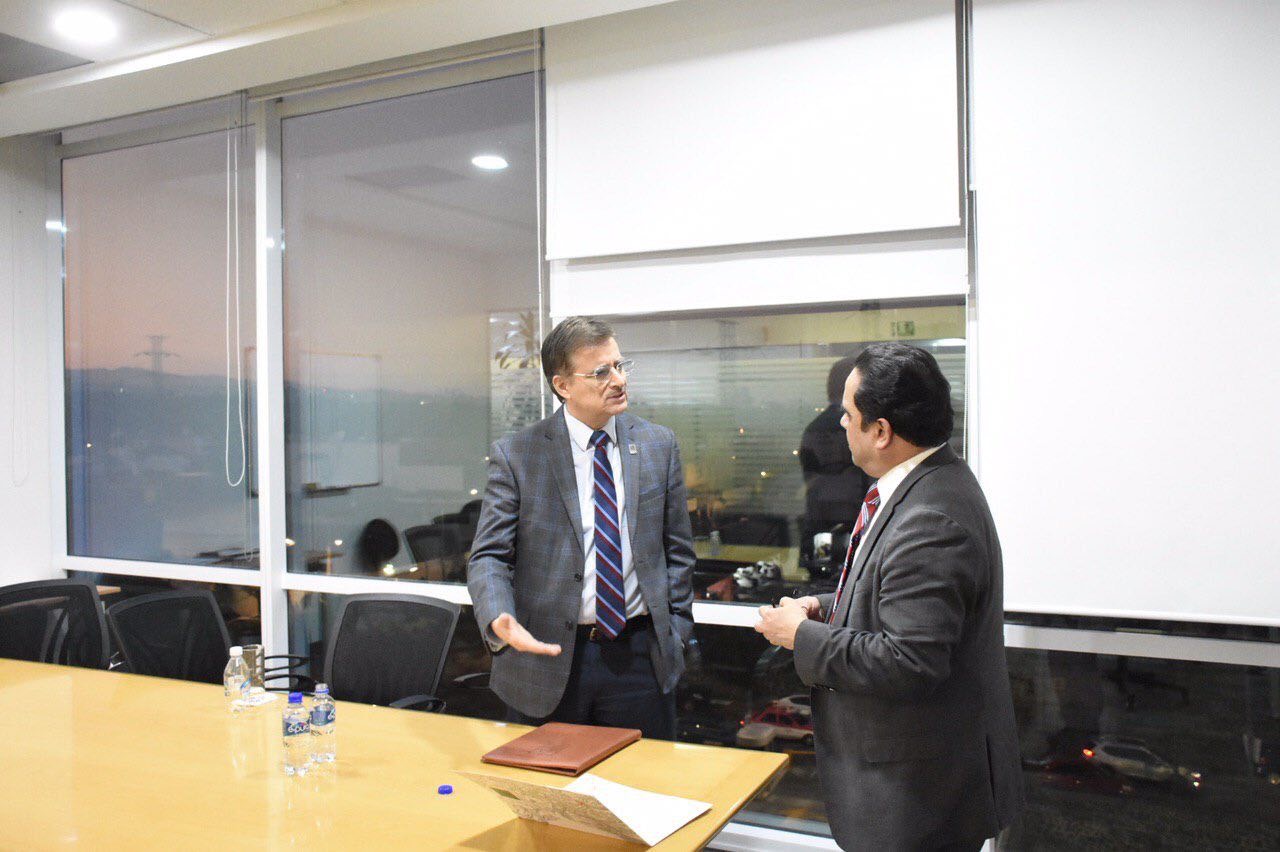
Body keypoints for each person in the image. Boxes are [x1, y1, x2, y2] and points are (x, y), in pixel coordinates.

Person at [755, 342, 1023, 851]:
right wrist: (825, 608)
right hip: (916, 784)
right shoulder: (925, 482)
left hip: (918, 796)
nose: (839, 424)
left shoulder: (929, 517)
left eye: (847, 414)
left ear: (881, 431)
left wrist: (801, 636)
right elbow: (896, 597)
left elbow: (910, 660)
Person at [467, 316, 695, 738]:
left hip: (639, 658)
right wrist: (498, 615)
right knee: (548, 780)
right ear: (563, 385)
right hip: (547, 657)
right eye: (601, 372)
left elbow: (678, 550)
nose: (618, 380)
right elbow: (489, 556)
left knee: (641, 777)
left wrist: (676, 630)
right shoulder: (519, 455)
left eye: (620, 366)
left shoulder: (657, 445)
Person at [798, 355, 872, 574]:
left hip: (820, 527)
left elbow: (810, 477)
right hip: (850, 528)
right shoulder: (855, 427)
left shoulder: (813, 428)